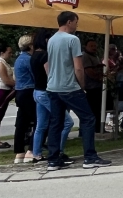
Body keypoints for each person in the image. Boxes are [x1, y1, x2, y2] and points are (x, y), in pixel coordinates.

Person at [45, 11, 111, 170]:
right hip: (69, 86)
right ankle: (90, 157)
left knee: (56, 123)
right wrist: (82, 86)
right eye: (76, 22)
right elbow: (79, 68)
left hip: (53, 86)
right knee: (88, 118)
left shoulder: (52, 40)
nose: (77, 25)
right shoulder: (73, 40)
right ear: (69, 22)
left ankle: (53, 159)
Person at [30, 30, 73, 164]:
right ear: (45, 40)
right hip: (47, 92)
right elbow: (50, 75)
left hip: (37, 91)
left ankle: (36, 153)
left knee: (41, 125)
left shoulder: (33, 55)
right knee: (67, 122)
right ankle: (57, 151)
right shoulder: (45, 55)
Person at [12, 35, 36, 163]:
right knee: (39, 121)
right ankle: (32, 150)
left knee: (21, 123)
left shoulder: (18, 59)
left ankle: (19, 152)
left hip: (20, 91)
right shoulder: (28, 60)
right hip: (29, 91)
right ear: (31, 46)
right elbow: (34, 75)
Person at [80, 40, 104, 128]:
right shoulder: (85, 56)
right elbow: (89, 71)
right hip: (90, 87)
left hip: (96, 86)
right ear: (86, 47)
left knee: (97, 109)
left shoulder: (95, 56)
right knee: (92, 109)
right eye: (91, 46)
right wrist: (99, 78)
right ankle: (91, 129)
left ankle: (97, 127)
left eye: (95, 46)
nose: (94, 48)